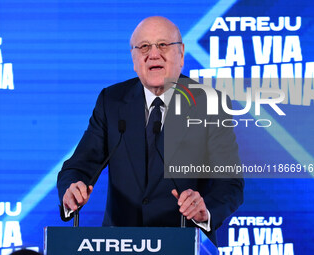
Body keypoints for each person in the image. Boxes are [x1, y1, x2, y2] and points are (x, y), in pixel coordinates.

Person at [57, 16, 244, 245]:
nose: (153, 54)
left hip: (183, 243)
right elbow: (79, 166)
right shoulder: (112, 101)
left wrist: (206, 211)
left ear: (181, 53)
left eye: (163, 45)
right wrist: (71, 190)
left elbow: (230, 184)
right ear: (134, 59)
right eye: (144, 46)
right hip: (120, 245)